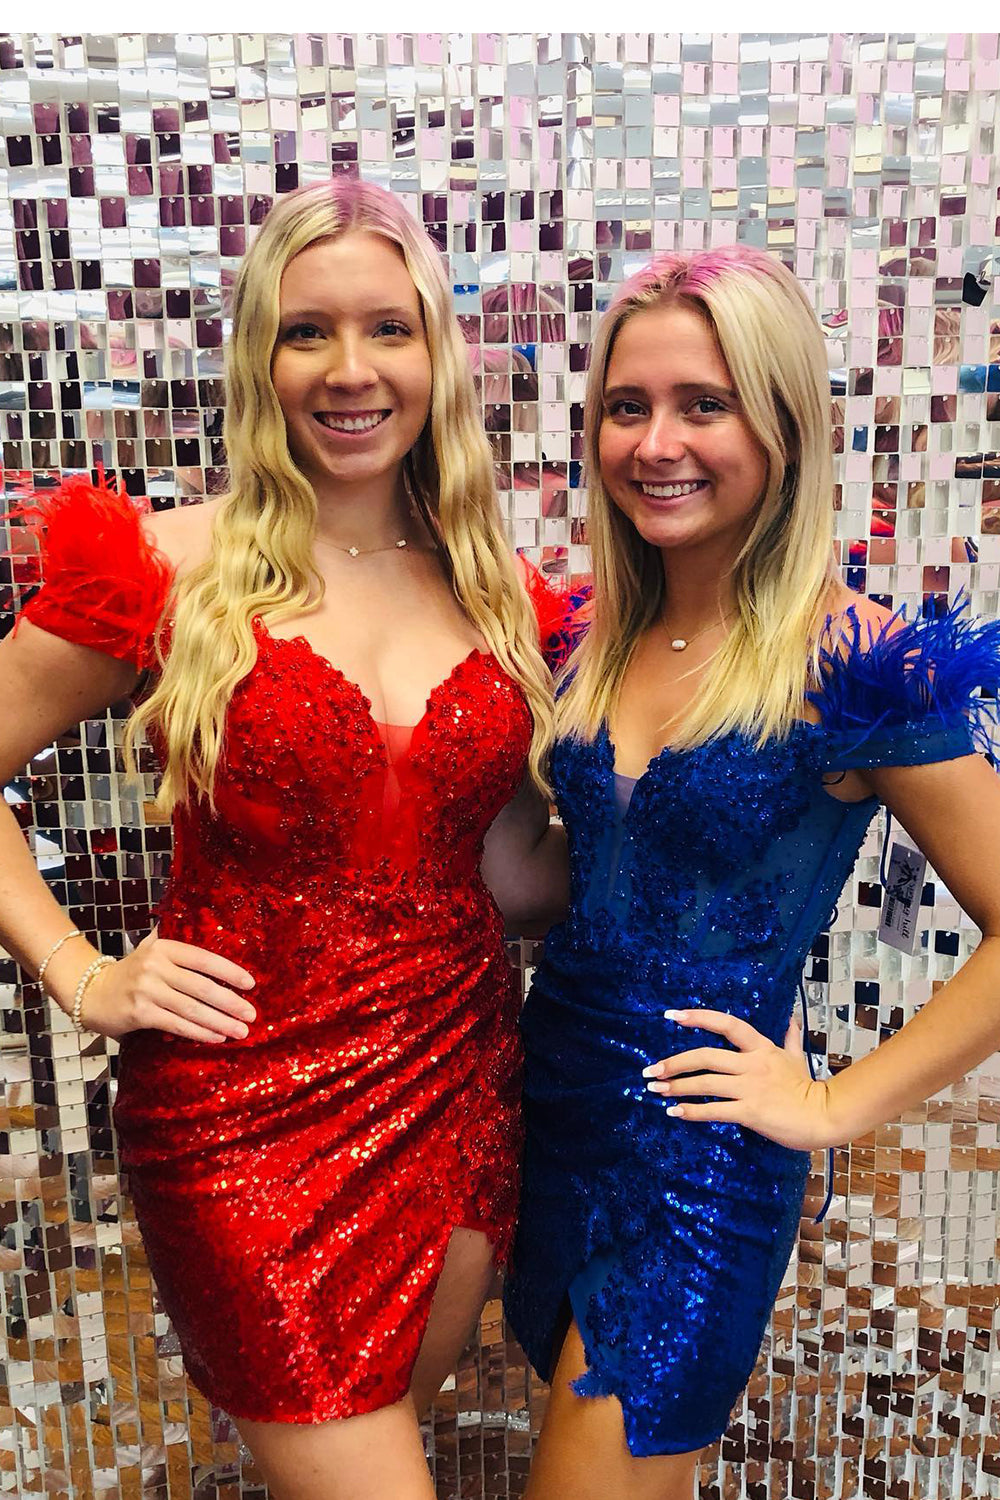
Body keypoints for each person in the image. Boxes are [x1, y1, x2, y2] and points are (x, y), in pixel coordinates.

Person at [1, 177, 567, 1500]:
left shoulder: (499, 591)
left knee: (380, 1441)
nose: (349, 369)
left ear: (437, 355)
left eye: (387, 328)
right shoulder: (164, 568)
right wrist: (83, 973)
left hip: (456, 1088)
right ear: (259, 357)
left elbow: (509, 873)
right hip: (242, 1118)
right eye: (307, 330)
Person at [503, 246, 1000, 1500]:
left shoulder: (854, 663)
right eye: (627, 406)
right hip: (550, 1110)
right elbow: (566, 886)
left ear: (781, 428)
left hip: (699, 1154)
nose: (656, 443)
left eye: (703, 405)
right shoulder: (591, 637)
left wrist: (832, 1107)